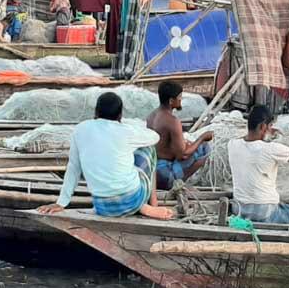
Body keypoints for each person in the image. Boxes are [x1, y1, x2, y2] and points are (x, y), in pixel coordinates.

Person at [39, 92, 174, 220]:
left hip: (102, 207)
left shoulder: (80, 129)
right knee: (148, 148)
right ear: (120, 115)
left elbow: (73, 167)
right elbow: (155, 137)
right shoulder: (126, 131)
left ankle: (141, 206)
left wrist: (61, 203)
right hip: (133, 199)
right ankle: (151, 204)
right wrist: (128, 127)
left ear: (96, 112)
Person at [227, 105, 289, 226]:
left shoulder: (232, 144)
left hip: (239, 210)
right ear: (263, 126)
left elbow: (248, 142)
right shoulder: (271, 149)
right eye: (270, 126)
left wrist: (267, 132)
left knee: (286, 209)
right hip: (264, 212)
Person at [147, 81, 214, 189]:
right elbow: (182, 155)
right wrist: (202, 137)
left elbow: (164, 145)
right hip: (166, 175)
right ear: (171, 101)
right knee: (205, 149)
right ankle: (178, 182)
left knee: (189, 145)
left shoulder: (151, 116)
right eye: (179, 97)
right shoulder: (173, 121)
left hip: (153, 171)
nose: (180, 100)